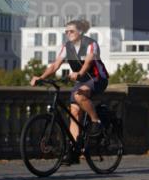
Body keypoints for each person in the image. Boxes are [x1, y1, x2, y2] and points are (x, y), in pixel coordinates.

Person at [30, 18, 108, 160]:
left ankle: (96, 121)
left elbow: (89, 62)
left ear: (80, 31)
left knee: (79, 96)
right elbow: (55, 65)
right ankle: (74, 151)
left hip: (97, 78)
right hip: (81, 81)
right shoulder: (67, 47)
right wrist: (41, 77)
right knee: (74, 111)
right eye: (66, 32)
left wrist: (80, 73)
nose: (68, 34)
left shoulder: (91, 44)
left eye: (71, 31)